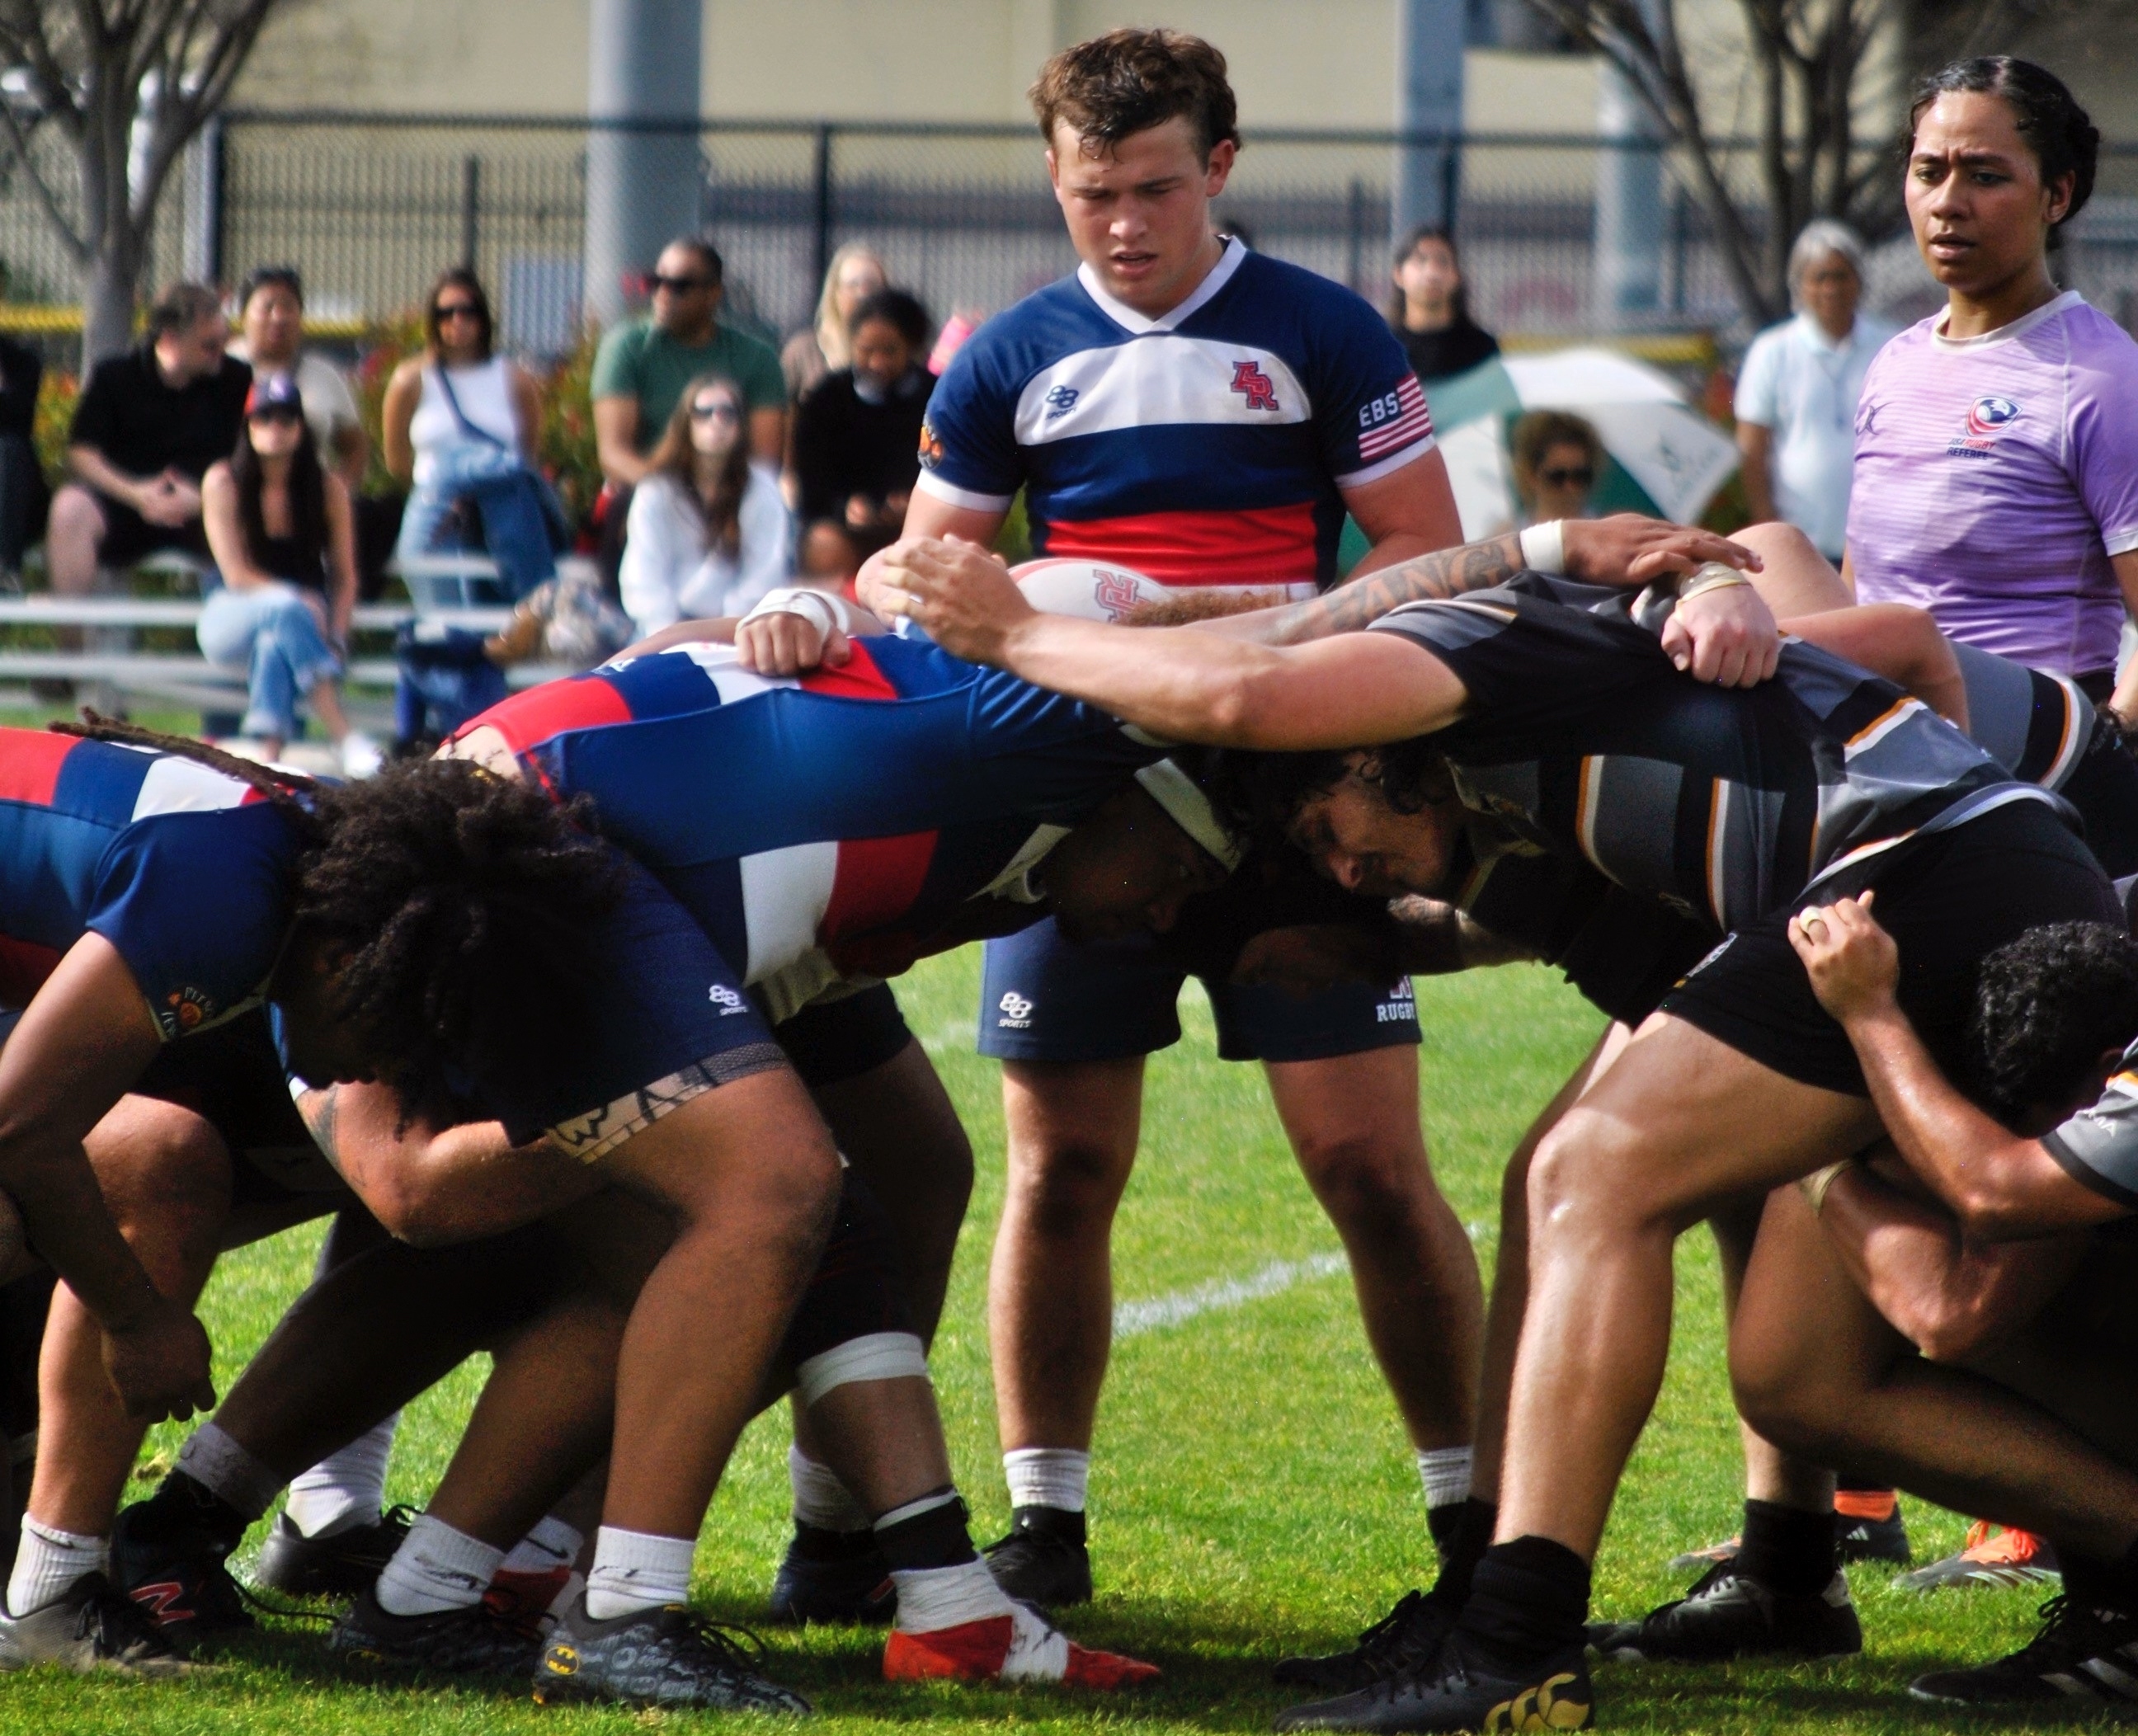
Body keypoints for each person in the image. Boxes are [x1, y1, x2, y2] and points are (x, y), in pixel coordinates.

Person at [864, 529, 2123, 1732]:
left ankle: (1519, 1641)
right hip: (1913, 891)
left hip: (1943, 872)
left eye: (1324, 831)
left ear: (1360, 741)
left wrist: (1014, 631)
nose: (1348, 868)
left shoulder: (1484, 649)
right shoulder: (1518, 799)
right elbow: (1542, 929)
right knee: (1798, 1373)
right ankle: (1484, 1588)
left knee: (1596, 1168)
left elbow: (1251, 686)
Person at [883, 26, 1484, 1611]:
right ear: (1055, 183)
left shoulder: (1322, 331)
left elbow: (1425, 558)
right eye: (1092, 195)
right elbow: (929, 583)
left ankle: (1477, 1524)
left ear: (1219, 168)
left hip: (1298, 812)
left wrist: (1202, 626)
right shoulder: (1007, 355)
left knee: (1367, 1168)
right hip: (1080, 812)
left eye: (1155, 188)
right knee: (1060, 1166)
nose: (1125, 225)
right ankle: (1046, 1526)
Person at [1848, 58, 2138, 725]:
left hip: (2022, 752)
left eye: (1985, 176)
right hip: (1882, 740)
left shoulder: (2100, 377)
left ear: (2056, 196)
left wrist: (2105, 743)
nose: (1948, 202)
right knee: (1765, 551)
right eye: (1929, 172)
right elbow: (1862, 589)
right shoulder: (1893, 362)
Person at [197, 375, 380, 774]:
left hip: (301, 627)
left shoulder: (327, 488)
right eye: (264, 418)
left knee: (274, 640)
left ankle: (270, 756)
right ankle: (344, 735)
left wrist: (338, 638)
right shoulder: (224, 481)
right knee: (284, 612)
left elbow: (346, 577)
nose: (275, 429)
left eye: (286, 419)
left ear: (301, 428)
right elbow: (235, 575)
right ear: (248, 426)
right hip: (229, 614)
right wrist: (297, 600)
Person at [49, 282, 250, 602]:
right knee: (70, 508)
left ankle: (242, 639)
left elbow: (252, 454)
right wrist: (137, 494)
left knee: (254, 510)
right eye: (209, 345)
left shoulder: (236, 380)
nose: (220, 354)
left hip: (205, 511)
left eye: (223, 343)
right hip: (127, 506)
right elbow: (82, 452)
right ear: (169, 338)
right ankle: (71, 650)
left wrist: (205, 497)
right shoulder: (115, 377)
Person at [382, 268, 558, 601]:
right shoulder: (410, 379)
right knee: (441, 607)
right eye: (445, 313)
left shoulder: (514, 378)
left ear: (484, 317)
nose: (457, 321)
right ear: (432, 321)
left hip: (505, 510)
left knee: (516, 608)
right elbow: (398, 461)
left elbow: (528, 452)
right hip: (437, 509)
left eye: (468, 311)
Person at [1732, 223, 1895, 561]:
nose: (1831, 288)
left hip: (1879, 539)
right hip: (1802, 543)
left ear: (1859, 281)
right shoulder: (1772, 350)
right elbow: (1752, 446)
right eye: (1819, 278)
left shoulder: (1891, 345)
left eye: (1841, 276)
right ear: (1800, 286)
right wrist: (1768, 528)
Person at [592, 236, 786, 489]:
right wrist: (667, 496)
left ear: (713, 293)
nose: (663, 294)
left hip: (731, 498)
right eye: (656, 282)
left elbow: (764, 461)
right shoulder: (626, 348)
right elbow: (614, 454)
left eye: (679, 286)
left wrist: (716, 500)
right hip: (645, 493)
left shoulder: (757, 358)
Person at [618, 374, 790, 639]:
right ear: (686, 423)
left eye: (727, 413)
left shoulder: (762, 489)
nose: (717, 422)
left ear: (740, 425)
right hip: (662, 630)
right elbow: (643, 577)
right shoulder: (656, 491)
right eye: (704, 413)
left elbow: (765, 574)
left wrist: (725, 630)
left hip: (739, 630)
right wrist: (670, 634)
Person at [789, 288, 934, 567]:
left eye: (890, 351)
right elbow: (810, 484)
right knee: (823, 543)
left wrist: (915, 504)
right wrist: (844, 508)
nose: (877, 363)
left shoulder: (935, 398)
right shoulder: (826, 398)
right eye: (867, 351)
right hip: (844, 530)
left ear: (912, 346)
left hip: (917, 528)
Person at [227, 266, 369, 495]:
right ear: (243, 314)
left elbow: (354, 446)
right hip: (235, 500)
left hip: (307, 508)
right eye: (268, 307)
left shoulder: (324, 375)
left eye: (288, 307)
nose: (279, 317)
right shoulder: (222, 369)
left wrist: (338, 493)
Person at [1387, 228, 1500, 385]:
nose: (1432, 273)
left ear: (1457, 276)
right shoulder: (1382, 347)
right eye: (1421, 261)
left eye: (1442, 262)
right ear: (1399, 275)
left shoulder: (1482, 349)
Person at [781, 241, 889, 403]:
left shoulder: (900, 356)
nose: (863, 295)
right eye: (853, 285)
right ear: (835, 294)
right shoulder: (801, 352)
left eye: (871, 285)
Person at [0, 332, 46, 579]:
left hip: (12, 503)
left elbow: (16, 421)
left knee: (9, 449)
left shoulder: (21, 363)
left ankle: (5, 571)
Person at [1510, 411, 1601, 526]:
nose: (1571, 487)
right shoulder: (1510, 539)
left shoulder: (1610, 536)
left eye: (1581, 476)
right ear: (1531, 476)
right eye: (1557, 477)